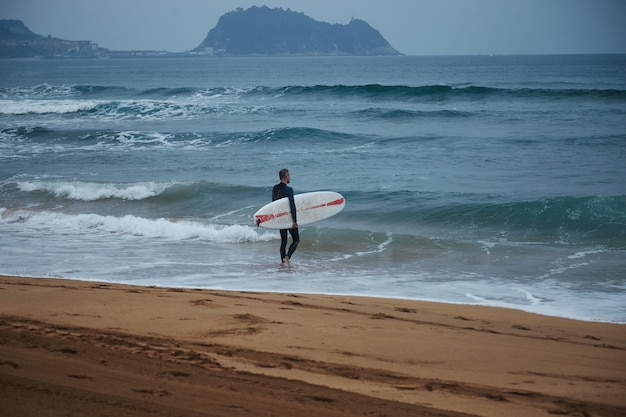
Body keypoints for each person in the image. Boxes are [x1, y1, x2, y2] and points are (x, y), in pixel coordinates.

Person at [272, 168, 299, 264]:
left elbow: (273, 205)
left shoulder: (274, 188)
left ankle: (283, 262)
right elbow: (292, 205)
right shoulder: (289, 190)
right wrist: (294, 221)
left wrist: (275, 219)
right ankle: (287, 257)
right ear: (286, 176)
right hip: (288, 218)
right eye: (289, 175)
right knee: (296, 239)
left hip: (280, 218)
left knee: (284, 241)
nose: (290, 177)